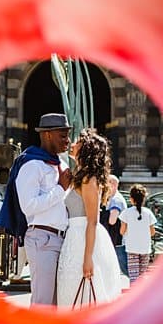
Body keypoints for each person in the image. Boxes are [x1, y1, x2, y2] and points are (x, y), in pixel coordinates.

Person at [0, 113, 73, 306]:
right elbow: (28, 206)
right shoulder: (31, 164)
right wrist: (60, 188)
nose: (67, 140)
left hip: (62, 239)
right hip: (42, 238)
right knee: (43, 302)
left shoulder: (61, 164)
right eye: (62, 135)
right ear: (47, 135)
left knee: (58, 302)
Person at [55, 128, 123, 308]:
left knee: (83, 296)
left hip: (84, 241)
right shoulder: (79, 177)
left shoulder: (89, 180)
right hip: (74, 239)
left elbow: (92, 220)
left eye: (77, 141)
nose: (72, 143)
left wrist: (88, 258)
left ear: (86, 148)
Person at [119, 184, 157, 284]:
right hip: (145, 248)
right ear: (143, 198)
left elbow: (122, 231)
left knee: (133, 276)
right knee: (142, 275)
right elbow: (152, 232)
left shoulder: (126, 213)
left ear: (131, 199)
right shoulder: (148, 212)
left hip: (131, 248)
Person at [100, 174, 128, 277]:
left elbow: (112, 220)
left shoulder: (116, 200)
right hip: (117, 238)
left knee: (124, 266)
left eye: (105, 183)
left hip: (117, 238)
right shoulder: (114, 198)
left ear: (112, 185)